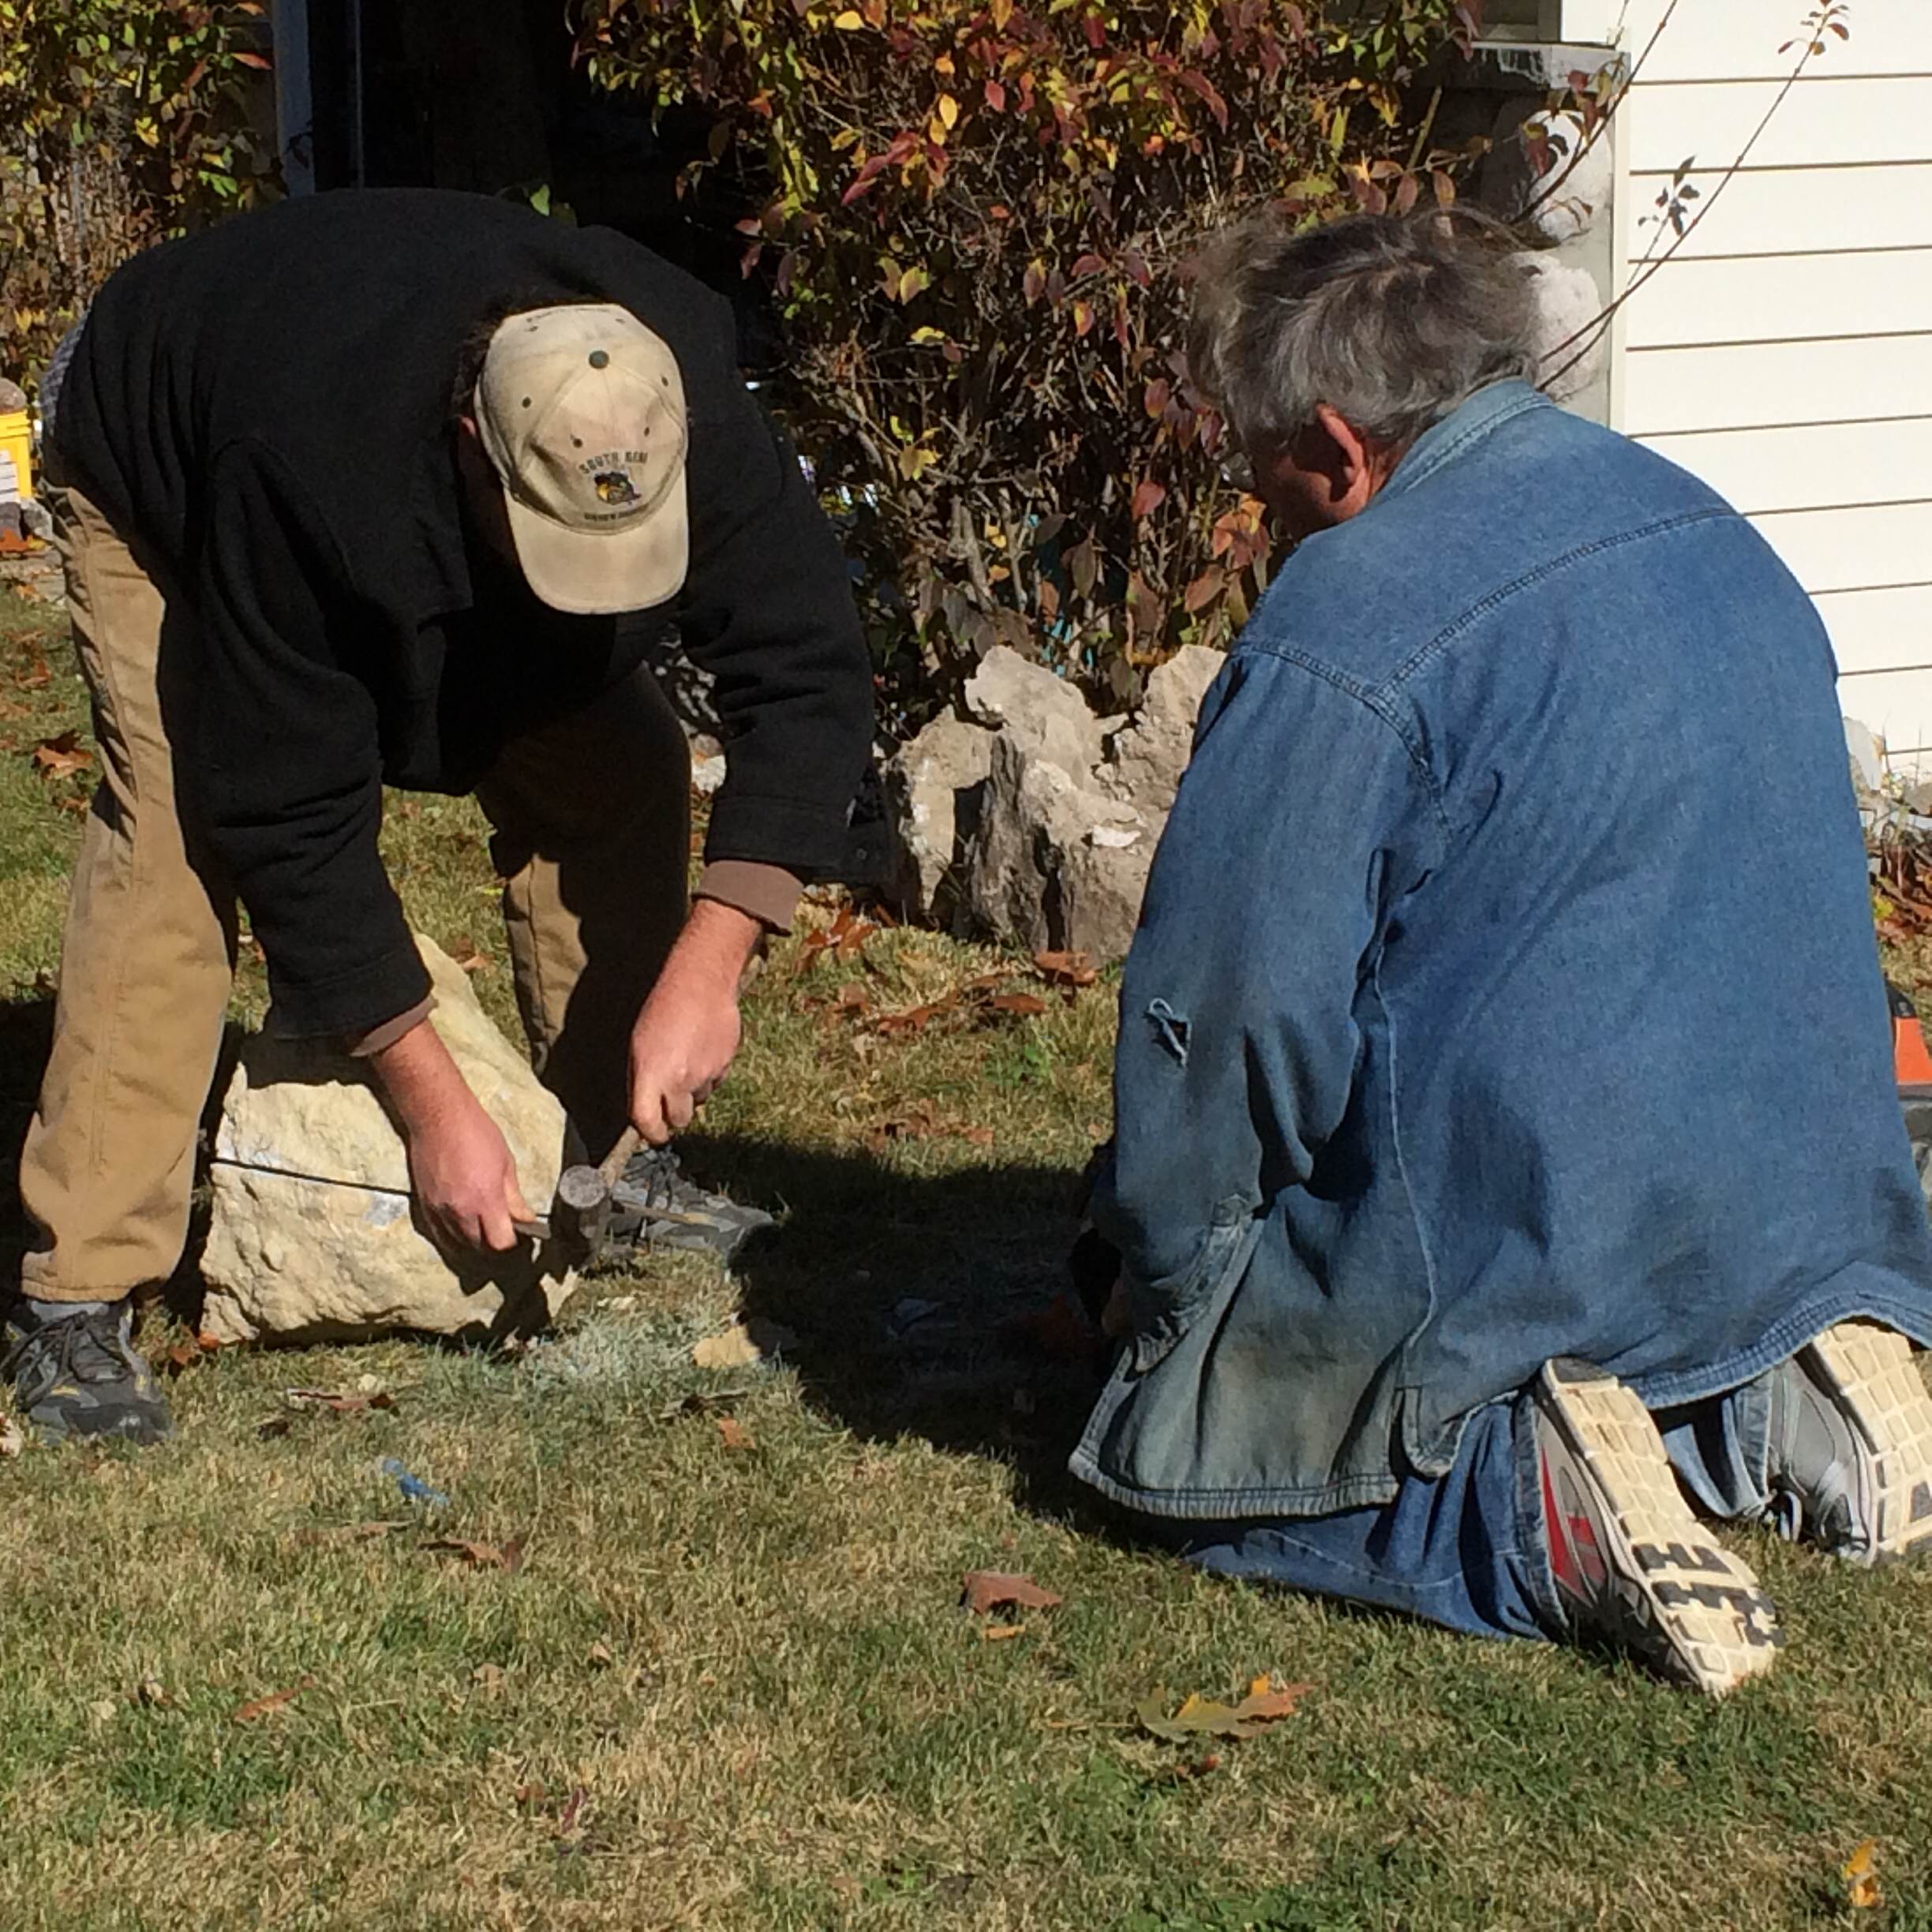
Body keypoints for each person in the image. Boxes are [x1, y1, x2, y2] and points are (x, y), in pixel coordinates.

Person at [1073, 209, 1932, 1694]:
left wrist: (1155, 1278)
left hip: (1535, 1229)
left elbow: (1228, 1022)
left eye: (1263, 471)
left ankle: (1520, 1493)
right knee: (1707, 1269)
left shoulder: (1347, 616)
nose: (1260, 507)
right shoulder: (1697, 516)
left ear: (1338, 448)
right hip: (1795, 1200)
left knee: (1168, 1434)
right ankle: (1800, 1377)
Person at [6, 189, 877, 1446]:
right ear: (475, 441)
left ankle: (599, 1169)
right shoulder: (301, 460)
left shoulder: (678, 396)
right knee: (177, 834)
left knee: (616, 765)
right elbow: (288, 809)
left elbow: (808, 672)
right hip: (160, 456)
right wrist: (433, 1110)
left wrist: (716, 958)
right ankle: (81, 1288)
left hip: (391, 458)